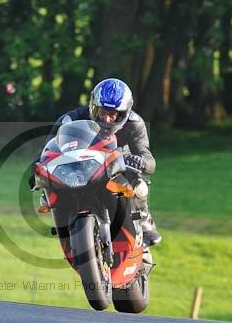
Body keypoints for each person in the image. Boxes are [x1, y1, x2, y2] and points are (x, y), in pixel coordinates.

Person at [30, 77, 161, 246]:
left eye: (113, 115)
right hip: (82, 168)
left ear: (123, 113)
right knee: (48, 190)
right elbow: (49, 151)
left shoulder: (134, 124)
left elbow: (148, 158)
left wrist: (141, 162)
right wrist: (37, 168)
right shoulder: (71, 119)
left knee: (139, 185)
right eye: (102, 112)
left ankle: (143, 218)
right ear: (93, 106)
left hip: (118, 166)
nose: (106, 119)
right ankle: (65, 228)